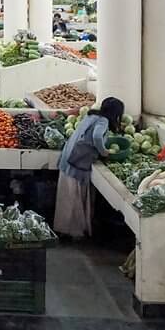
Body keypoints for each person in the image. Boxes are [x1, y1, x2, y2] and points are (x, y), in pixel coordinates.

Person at [55, 96, 124, 239]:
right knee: (75, 197)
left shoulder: (92, 115)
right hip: (78, 160)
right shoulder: (103, 121)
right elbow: (97, 137)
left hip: (69, 155)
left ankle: (63, 228)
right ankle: (74, 231)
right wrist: (104, 152)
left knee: (67, 196)